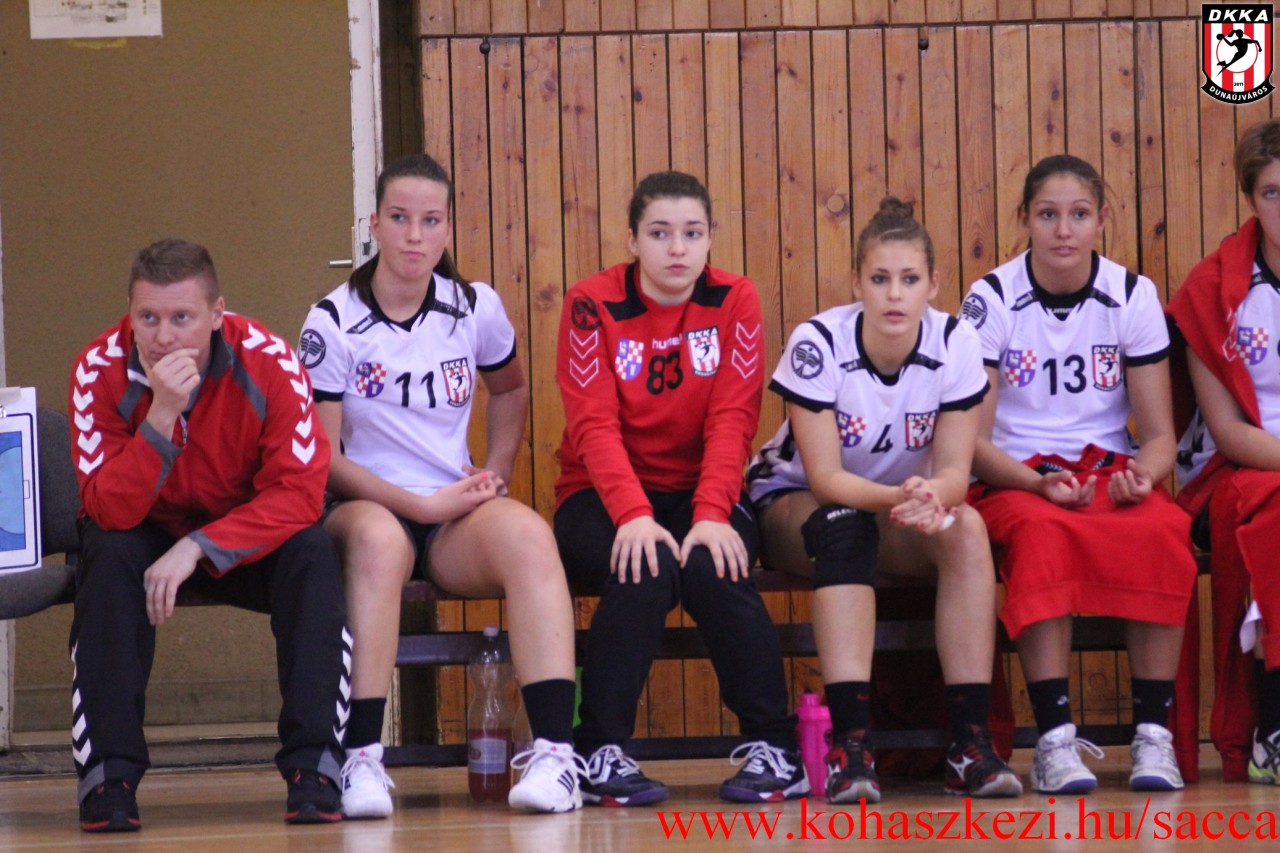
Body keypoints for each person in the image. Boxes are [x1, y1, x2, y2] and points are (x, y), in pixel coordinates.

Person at [300, 154, 581, 816]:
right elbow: (323, 458)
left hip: (453, 512)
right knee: (377, 542)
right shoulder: (332, 321)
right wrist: (419, 505)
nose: (415, 235)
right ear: (375, 224)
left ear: (449, 227)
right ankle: (361, 758)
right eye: (399, 218)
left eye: (430, 220)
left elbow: (509, 389)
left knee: (531, 538)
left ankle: (555, 755)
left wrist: (496, 472)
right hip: (366, 503)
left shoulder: (473, 306)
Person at [67, 238, 350, 832]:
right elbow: (105, 507)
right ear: (129, 313)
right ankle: (110, 776)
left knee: (312, 552)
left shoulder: (269, 360)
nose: (164, 337)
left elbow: (300, 493)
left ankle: (314, 770)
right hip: (142, 529)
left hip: (239, 531)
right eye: (148, 318)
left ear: (217, 314)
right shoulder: (97, 368)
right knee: (105, 552)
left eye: (182, 318)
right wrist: (161, 415)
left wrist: (199, 546)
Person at [748, 197, 1019, 803]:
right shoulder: (818, 341)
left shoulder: (956, 340)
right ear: (856, 283)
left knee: (967, 529)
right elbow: (825, 479)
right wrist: (905, 494)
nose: (895, 294)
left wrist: (932, 495)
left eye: (909, 279)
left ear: (933, 284)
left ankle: (970, 745)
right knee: (845, 526)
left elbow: (955, 471)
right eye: (879, 279)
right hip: (797, 501)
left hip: (897, 506)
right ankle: (851, 746)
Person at [554, 170, 807, 806]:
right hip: (598, 494)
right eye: (659, 233)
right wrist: (634, 515)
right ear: (632, 240)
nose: (677, 249)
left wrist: (713, 512)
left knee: (714, 566)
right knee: (644, 564)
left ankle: (775, 748)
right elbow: (593, 425)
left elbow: (734, 418)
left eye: (692, 233)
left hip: (703, 492)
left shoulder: (735, 299)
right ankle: (598, 751)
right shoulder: (591, 303)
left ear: (710, 238)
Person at [963, 155, 1198, 794]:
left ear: (1102, 220)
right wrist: (1034, 483)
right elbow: (972, 443)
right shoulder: (991, 298)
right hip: (1014, 476)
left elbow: (1159, 437)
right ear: (1024, 219)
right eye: (1048, 214)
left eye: (1079, 214)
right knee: (1043, 535)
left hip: (1105, 471)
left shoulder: (1131, 294)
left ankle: (1153, 736)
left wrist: (1144, 477)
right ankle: (1055, 742)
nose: (1063, 230)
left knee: (1161, 530)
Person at [1169, 117, 1280, 785]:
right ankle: (1271, 724)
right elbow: (1228, 432)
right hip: (1240, 471)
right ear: (1250, 200)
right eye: (1272, 192)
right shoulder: (1213, 290)